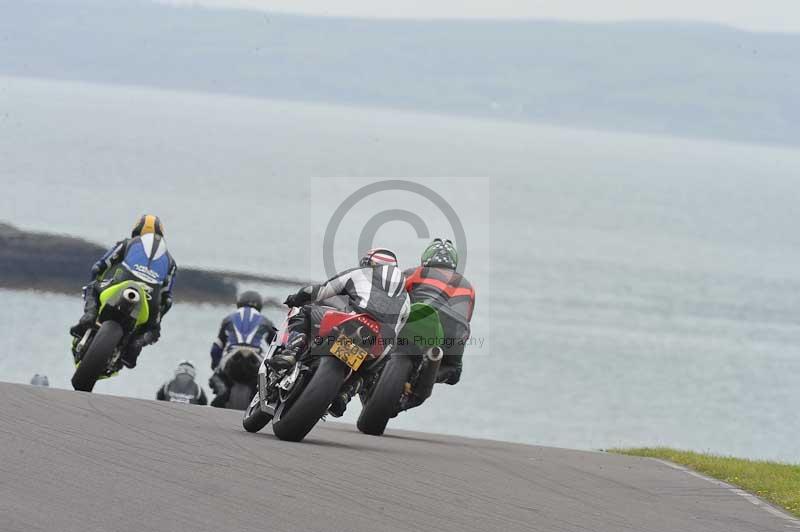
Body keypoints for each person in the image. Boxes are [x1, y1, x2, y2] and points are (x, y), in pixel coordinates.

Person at [274, 247, 411, 416]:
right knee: (369, 370)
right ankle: (346, 393)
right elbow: (397, 331)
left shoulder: (361, 273)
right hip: (380, 340)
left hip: (353, 321)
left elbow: (319, 291)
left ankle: (291, 352)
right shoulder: (406, 297)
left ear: (369, 263)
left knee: (305, 312)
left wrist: (296, 298)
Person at [69, 214, 177, 368]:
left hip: (121, 284)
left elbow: (99, 267)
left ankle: (89, 316)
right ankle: (135, 345)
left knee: (94, 288)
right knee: (154, 330)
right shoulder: (171, 262)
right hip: (149, 299)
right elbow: (167, 298)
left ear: (137, 229)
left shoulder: (128, 243)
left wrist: (96, 280)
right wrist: (156, 320)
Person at [404, 239, 475, 387]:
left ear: (426, 257)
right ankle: (422, 376)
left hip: (420, 320)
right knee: (454, 372)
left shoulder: (417, 272)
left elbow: (394, 292)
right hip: (455, 332)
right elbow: (467, 317)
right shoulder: (468, 286)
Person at [208, 291, 277, 407]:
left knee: (216, 377)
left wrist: (215, 366)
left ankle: (221, 393)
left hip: (232, 355)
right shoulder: (266, 321)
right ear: (259, 305)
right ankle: (259, 399)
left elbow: (216, 348)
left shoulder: (228, 319)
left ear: (239, 303)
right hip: (256, 357)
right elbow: (275, 346)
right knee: (267, 382)